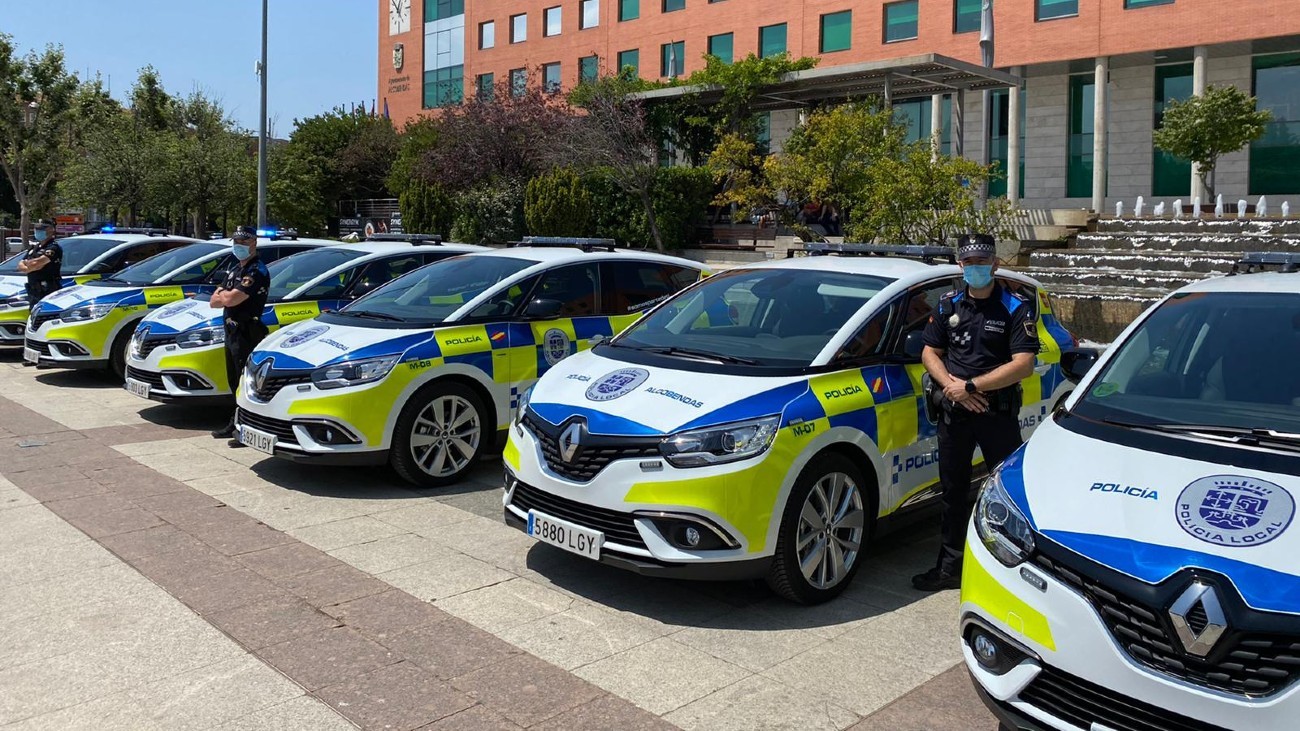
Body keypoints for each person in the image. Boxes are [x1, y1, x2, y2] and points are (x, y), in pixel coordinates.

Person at [912, 233, 1039, 592]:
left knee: (1006, 493)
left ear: (995, 265)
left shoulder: (1015, 307)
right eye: (969, 263)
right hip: (956, 413)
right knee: (952, 493)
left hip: (995, 414)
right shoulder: (948, 305)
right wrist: (953, 387)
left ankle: (1011, 570)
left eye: (982, 263)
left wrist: (972, 387)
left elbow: (1024, 364)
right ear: (961, 266)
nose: (975, 269)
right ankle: (950, 568)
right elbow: (929, 352)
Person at [209, 227, 270, 439]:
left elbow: (230, 299)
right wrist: (225, 295)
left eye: (243, 242)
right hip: (232, 332)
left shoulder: (256, 271)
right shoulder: (236, 269)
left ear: (254, 243)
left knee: (244, 383)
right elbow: (213, 301)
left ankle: (245, 429)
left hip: (246, 332)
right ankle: (234, 423)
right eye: (236, 241)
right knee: (233, 381)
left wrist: (225, 295)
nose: (239, 246)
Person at [17, 220, 63, 306]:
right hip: (33, 291)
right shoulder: (34, 248)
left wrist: (29, 264)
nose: (38, 232)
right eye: (36, 229)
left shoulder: (53, 247)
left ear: (51, 230)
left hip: (48, 290)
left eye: (41, 229)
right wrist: (29, 267)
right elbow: (20, 265)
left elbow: (36, 263)